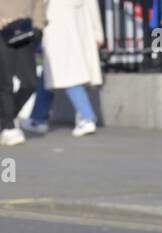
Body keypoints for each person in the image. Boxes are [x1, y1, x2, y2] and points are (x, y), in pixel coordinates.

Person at [23, 0, 103, 137]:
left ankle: (86, 117)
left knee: (67, 73)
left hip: (57, 24)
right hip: (80, 24)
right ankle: (38, 118)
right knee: (53, 73)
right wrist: (97, 33)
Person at [0, 0, 44, 145]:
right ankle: (8, 127)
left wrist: (38, 25)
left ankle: (9, 114)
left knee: (30, 82)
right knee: (5, 82)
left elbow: (39, 3)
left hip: (25, 28)